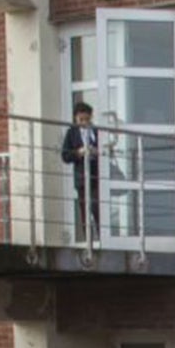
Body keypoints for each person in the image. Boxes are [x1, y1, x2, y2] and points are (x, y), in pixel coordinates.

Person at [60, 100, 102, 242]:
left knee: (98, 209)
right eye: (81, 119)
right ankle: (88, 241)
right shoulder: (72, 133)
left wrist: (97, 152)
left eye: (87, 119)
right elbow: (65, 155)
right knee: (85, 211)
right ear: (75, 118)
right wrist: (79, 152)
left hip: (97, 176)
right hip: (82, 178)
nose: (84, 122)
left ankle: (102, 239)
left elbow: (106, 151)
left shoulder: (96, 131)